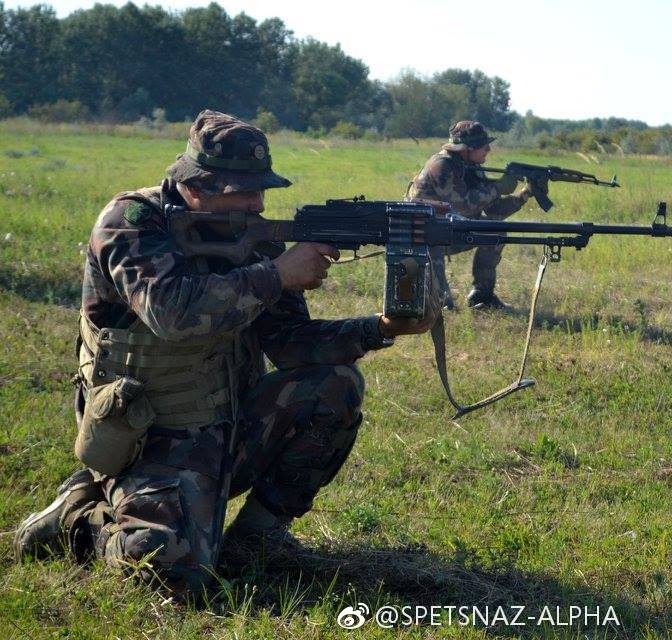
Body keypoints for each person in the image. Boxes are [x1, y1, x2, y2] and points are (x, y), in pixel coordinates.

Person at [12, 110, 438, 599]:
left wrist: (381, 328)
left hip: (230, 422)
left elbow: (291, 343)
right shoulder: (132, 224)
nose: (257, 201)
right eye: (242, 190)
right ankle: (81, 517)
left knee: (335, 385)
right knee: (171, 573)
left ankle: (259, 538)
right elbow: (171, 313)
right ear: (196, 185)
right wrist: (277, 274)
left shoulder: (250, 241)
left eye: (261, 189)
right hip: (149, 438)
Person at [405, 120, 539, 310]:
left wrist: (526, 193)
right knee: (443, 307)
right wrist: (498, 187)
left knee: (495, 233)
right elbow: (462, 207)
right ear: (468, 148)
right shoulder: (441, 166)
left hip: (447, 231)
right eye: (484, 146)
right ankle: (438, 298)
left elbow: (494, 210)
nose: (489, 150)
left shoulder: (470, 167)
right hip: (423, 236)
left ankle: (482, 297)